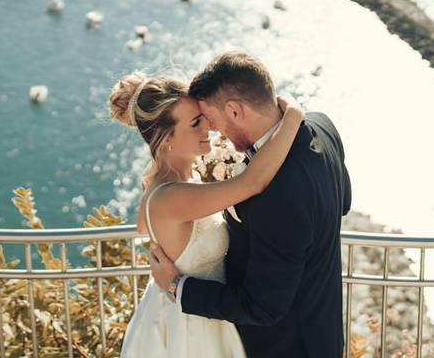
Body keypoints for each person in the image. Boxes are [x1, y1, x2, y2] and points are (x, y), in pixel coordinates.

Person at [149, 52, 352, 357]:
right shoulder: (320, 125)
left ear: (234, 110)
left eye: (213, 120)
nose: (212, 130)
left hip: (286, 347)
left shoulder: (277, 196)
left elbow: (263, 307)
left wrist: (178, 287)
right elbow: (343, 201)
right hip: (324, 332)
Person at [109, 68, 306, 357]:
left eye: (204, 118)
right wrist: (294, 118)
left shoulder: (170, 180)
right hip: (190, 327)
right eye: (195, 123)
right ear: (166, 139)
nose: (209, 128)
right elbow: (253, 182)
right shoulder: (171, 196)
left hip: (200, 310)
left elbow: (144, 226)